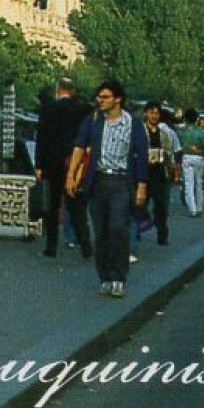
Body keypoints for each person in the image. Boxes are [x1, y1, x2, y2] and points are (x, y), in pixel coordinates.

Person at [67, 81, 148, 299]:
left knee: (117, 228)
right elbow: (79, 147)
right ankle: (104, 276)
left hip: (121, 181)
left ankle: (118, 277)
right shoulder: (93, 121)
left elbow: (142, 155)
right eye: (99, 97)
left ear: (117, 99)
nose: (100, 101)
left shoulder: (134, 124)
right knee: (100, 231)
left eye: (105, 97)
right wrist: (71, 175)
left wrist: (142, 185)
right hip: (99, 181)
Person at [35, 78, 92, 259]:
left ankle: (51, 247)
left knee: (53, 205)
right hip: (73, 162)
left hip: (52, 163)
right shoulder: (82, 110)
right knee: (76, 205)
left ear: (58, 91)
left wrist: (39, 165)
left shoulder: (48, 109)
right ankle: (85, 245)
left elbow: (42, 137)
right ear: (72, 91)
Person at [142, 102, 180, 246]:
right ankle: (137, 230)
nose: (154, 116)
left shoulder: (164, 133)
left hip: (160, 173)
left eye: (157, 113)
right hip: (144, 174)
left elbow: (171, 152)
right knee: (140, 205)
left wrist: (166, 158)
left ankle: (162, 234)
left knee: (161, 206)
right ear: (145, 114)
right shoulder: (140, 131)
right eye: (151, 113)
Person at [177, 109, 204, 217]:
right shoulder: (202, 131)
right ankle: (199, 207)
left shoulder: (181, 131)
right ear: (196, 118)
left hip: (186, 156)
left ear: (186, 118)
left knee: (189, 184)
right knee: (199, 183)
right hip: (199, 157)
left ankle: (192, 209)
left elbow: (178, 147)